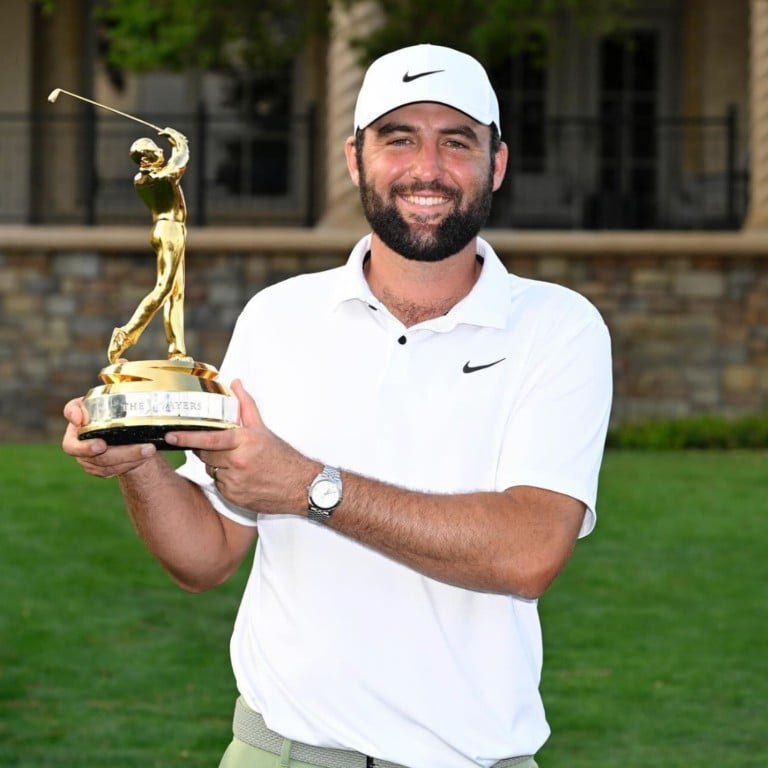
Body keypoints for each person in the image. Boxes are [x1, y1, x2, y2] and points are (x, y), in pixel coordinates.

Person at [63, 44, 612, 768]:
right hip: (279, 752)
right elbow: (204, 558)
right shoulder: (280, 315)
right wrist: (138, 467)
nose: (427, 168)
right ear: (354, 159)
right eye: (398, 138)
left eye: (457, 141)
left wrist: (311, 488)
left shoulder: (558, 327)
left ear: (496, 163)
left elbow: (529, 551)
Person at [108, 126, 190, 364]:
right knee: (164, 289)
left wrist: (174, 143)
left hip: (169, 230)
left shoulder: (144, 178)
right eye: (153, 149)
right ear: (145, 159)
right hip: (170, 230)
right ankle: (125, 335)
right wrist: (178, 140)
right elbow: (181, 160)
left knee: (176, 293)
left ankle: (177, 350)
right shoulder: (158, 178)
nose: (159, 150)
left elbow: (176, 164)